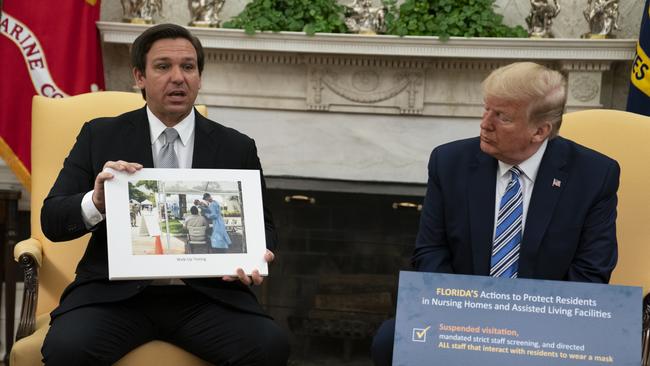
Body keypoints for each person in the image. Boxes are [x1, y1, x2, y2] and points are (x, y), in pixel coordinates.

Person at [40, 23, 289, 365]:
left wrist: (257, 255)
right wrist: (96, 202)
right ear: (139, 77)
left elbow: (264, 225)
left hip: (207, 297)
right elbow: (52, 220)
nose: (178, 77)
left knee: (269, 346)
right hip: (116, 297)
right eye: (163, 67)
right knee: (67, 349)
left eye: (188, 67)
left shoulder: (236, 147)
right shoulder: (100, 135)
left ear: (199, 77)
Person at [371, 62, 619, 365]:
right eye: (486, 109)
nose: (485, 124)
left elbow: (592, 271)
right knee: (388, 342)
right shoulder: (449, 162)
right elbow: (430, 251)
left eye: (502, 117)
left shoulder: (594, 175)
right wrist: (467, 319)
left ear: (540, 131)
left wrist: (522, 329)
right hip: (460, 315)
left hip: (548, 323)